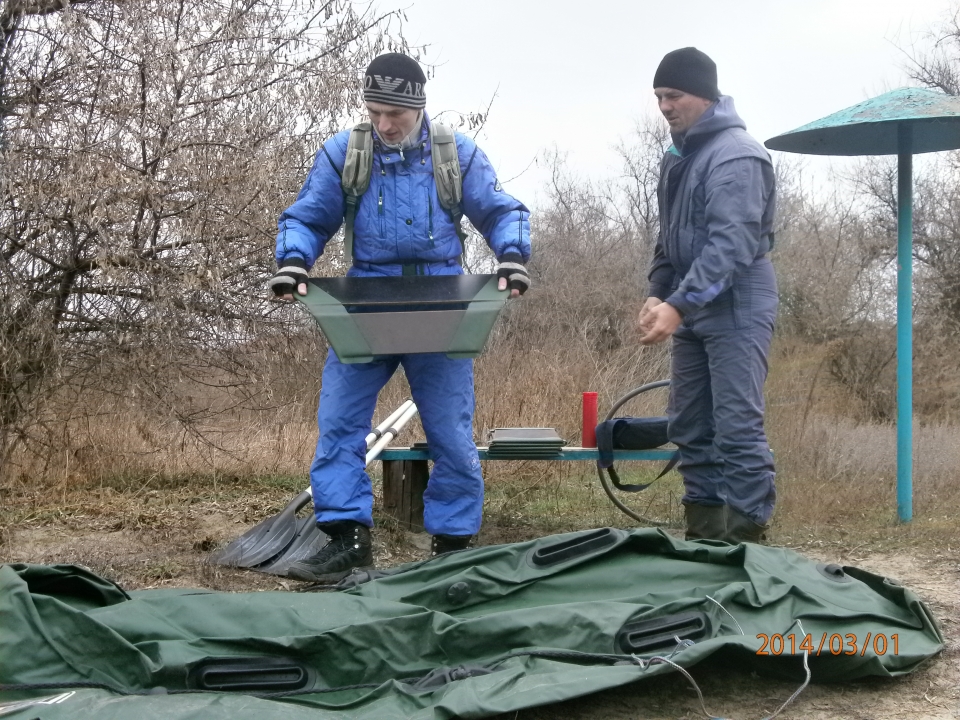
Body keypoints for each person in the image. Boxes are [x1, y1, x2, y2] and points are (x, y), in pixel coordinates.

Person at [269, 53, 531, 583]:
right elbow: (308, 217)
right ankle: (348, 540)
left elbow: (501, 209)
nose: (385, 124)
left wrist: (511, 255)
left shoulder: (455, 154)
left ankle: (452, 548)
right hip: (366, 299)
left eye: (395, 114)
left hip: (442, 301)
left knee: (450, 430)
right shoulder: (346, 153)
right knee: (340, 421)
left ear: (419, 108)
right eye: (375, 112)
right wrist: (293, 262)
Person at [638, 47, 778, 544]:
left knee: (736, 426)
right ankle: (705, 539)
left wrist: (679, 305)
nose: (665, 106)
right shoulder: (677, 156)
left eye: (673, 95)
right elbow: (668, 235)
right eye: (659, 97)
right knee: (690, 423)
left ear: (704, 95)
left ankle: (747, 544)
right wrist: (658, 293)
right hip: (689, 298)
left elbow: (731, 245)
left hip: (738, 298)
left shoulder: (736, 154)